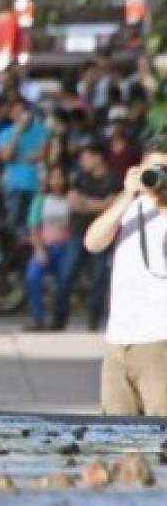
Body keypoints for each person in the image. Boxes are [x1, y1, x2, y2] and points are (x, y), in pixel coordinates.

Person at [84, 140, 167, 416]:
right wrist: (127, 195)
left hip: (159, 340)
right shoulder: (131, 206)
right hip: (119, 340)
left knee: (160, 442)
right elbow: (93, 242)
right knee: (118, 443)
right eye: (154, 169)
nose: (159, 177)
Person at [63, 141, 120, 331]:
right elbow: (72, 201)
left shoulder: (113, 180)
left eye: (86, 157)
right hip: (78, 233)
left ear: (98, 157)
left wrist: (86, 203)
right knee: (66, 275)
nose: (82, 162)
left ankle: (94, 321)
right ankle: (58, 319)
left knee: (98, 279)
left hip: (103, 236)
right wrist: (96, 204)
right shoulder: (79, 177)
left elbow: (110, 206)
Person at [24, 163, 73, 332]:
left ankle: (59, 318)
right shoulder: (41, 200)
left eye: (60, 177)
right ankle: (38, 318)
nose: (57, 181)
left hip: (65, 247)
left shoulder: (71, 199)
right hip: (45, 246)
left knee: (64, 281)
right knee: (33, 276)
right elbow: (33, 227)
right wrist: (39, 249)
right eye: (53, 178)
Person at [0, 98, 48, 230]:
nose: (20, 116)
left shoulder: (40, 130)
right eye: (16, 112)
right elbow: (6, 156)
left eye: (22, 112)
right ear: (11, 115)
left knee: (33, 223)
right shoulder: (5, 133)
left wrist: (17, 157)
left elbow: (41, 155)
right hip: (14, 184)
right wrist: (17, 132)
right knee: (13, 222)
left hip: (35, 184)